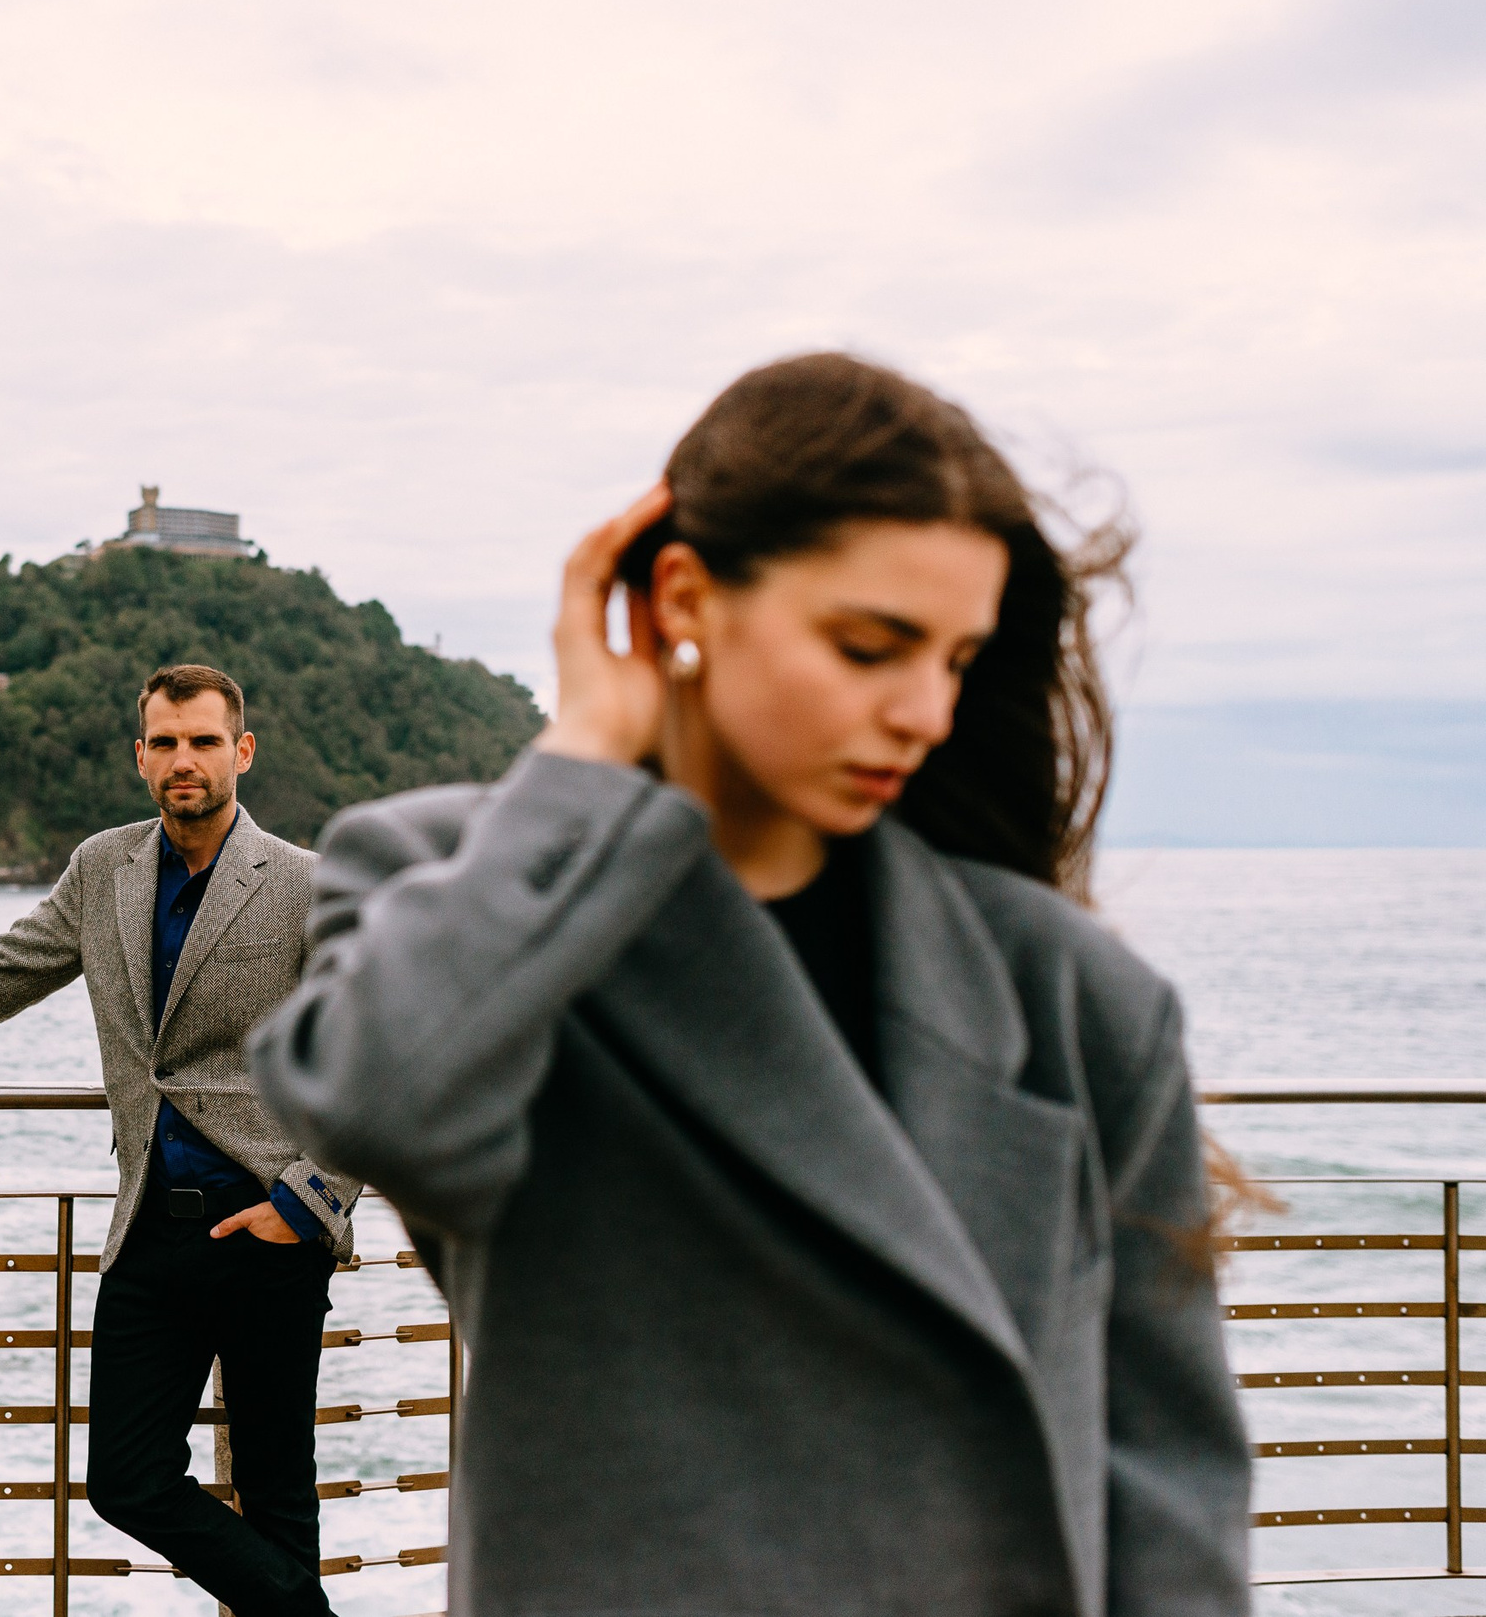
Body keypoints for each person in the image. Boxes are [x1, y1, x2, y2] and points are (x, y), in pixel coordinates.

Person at [247, 354, 1251, 1616]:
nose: (923, 712)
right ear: (682, 595)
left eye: (953, 659)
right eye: (869, 645)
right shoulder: (457, 887)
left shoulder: (1067, 988)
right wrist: (583, 761)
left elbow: (1167, 1481)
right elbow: (375, 1097)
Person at [0, 663, 354, 1617]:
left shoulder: (304, 883)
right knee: (125, 1481)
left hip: (269, 1228)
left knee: (280, 1494)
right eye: (165, 743)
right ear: (140, 757)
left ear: (241, 752)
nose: (184, 761)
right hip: (150, 1236)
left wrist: (310, 1201)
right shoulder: (103, 869)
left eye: (204, 741)